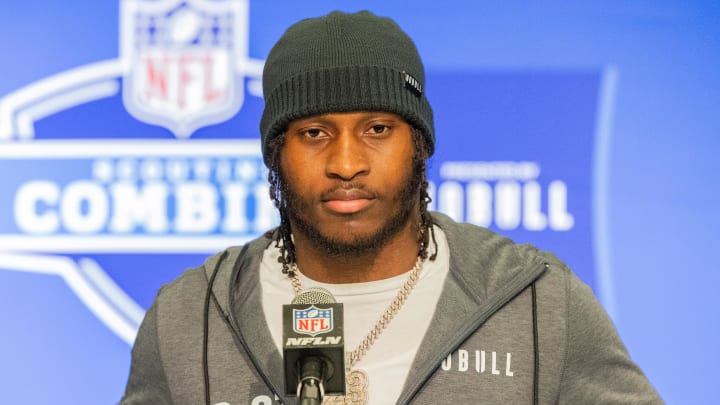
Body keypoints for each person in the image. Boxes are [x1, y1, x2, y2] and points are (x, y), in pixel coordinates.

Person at [120, 10, 663, 405]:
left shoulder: (536, 301)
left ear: (419, 143)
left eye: (378, 129)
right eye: (314, 133)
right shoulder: (192, 316)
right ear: (276, 154)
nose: (347, 162)